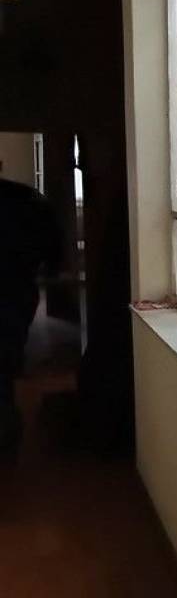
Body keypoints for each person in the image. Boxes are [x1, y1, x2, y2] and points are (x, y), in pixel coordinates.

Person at [0, 177, 63, 454]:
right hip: (17, 289)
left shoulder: (24, 198)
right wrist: (51, 267)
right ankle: (7, 436)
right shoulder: (25, 197)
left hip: (15, 290)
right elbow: (52, 236)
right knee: (6, 362)